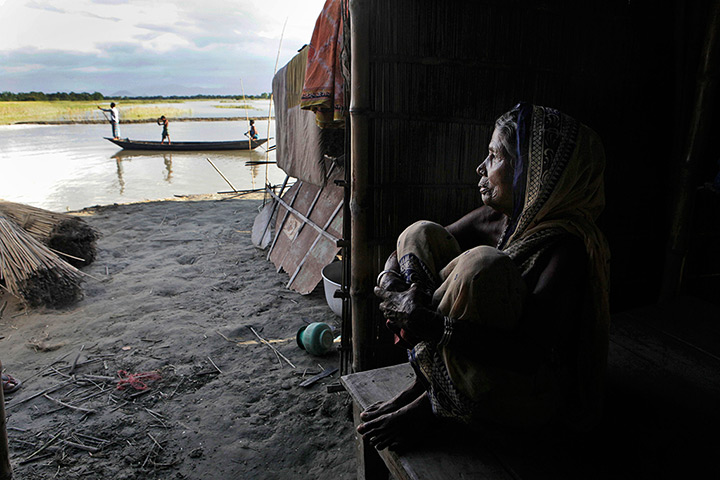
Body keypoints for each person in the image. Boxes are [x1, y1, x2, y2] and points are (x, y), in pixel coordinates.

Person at [359, 103, 611, 451]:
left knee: (483, 266)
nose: (481, 167)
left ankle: (434, 408)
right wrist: (394, 288)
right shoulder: (497, 218)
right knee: (421, 232)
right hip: (473, 364)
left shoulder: (566, 249)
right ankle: (427, 386)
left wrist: (428, 322)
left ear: (532, 173)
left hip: (520, 390)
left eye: (494, 157)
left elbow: (525, 354)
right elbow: (410, 248)